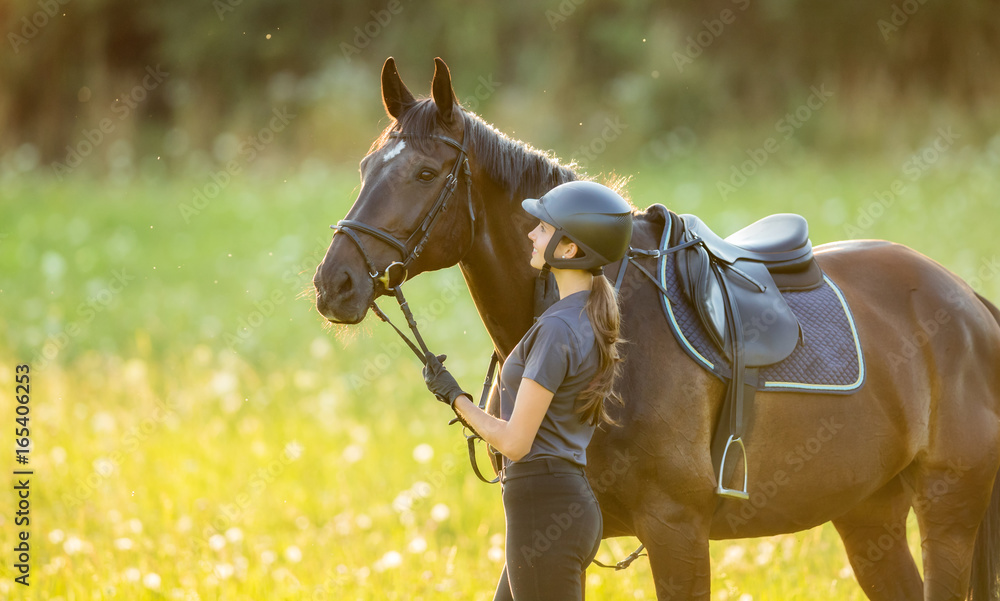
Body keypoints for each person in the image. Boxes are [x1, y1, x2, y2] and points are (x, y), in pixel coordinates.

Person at [423, 180, 634, 601]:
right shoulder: (583, 316)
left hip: (543, 510)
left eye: (541, 228)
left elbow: (516, 442)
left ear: (569, 249)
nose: (530, 234)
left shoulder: (558, 328)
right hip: (559, 505)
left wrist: (455, 398)